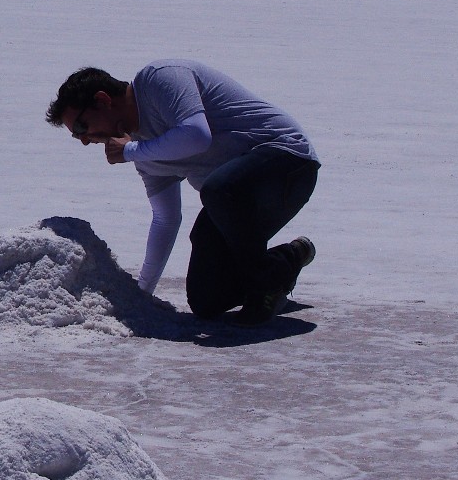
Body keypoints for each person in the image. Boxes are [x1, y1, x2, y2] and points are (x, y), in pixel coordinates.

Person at [47, 61, 318, 322]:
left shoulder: (159, 79)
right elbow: (165, 219)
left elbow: (197, 136)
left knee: (218, 191)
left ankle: (264, 286)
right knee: (206, 301)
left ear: (103, 100)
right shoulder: (144, 152)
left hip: (288, 165)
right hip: (236, 200)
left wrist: (130, 151)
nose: (85, 141)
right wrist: (141, 294)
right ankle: (286, 260)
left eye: (82, 128)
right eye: (77, 136)